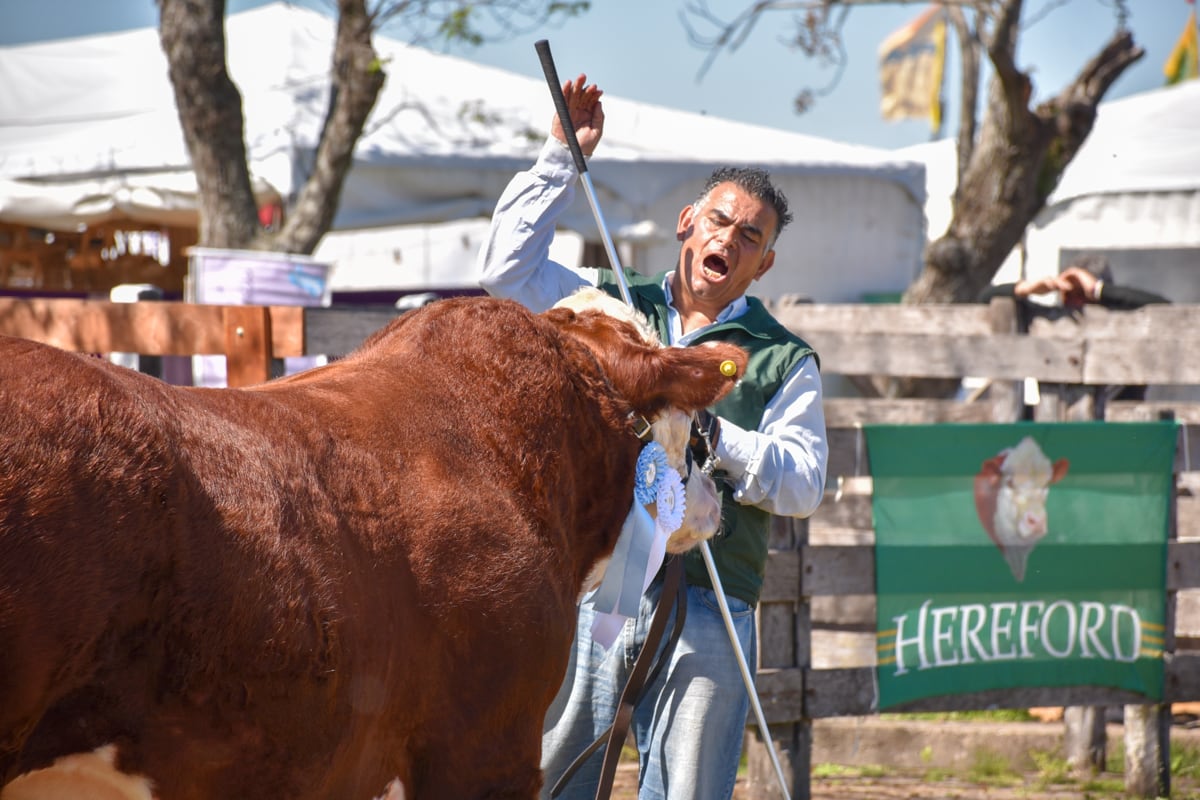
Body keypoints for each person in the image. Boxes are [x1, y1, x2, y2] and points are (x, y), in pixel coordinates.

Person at [476, 74, 828, 800]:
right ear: (686, 222)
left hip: (711, 603)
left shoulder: (783, 357)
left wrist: (713, 436)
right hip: (599, 593)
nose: (729, 239)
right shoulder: (608, 305)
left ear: (763, 265)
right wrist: (558, 158)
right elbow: (505, 274)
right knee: (558, 779)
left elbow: (801, 484)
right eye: (720, 221)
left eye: (750, 237)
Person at [978, 256, 1168, 310]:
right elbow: (983, 300)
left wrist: (1096, 289)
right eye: (1070, 294)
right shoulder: (1053, 319)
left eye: (1081, 295)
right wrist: (1026, 289)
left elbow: (1164, 306)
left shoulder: (1123, 315)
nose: (1074, 302)